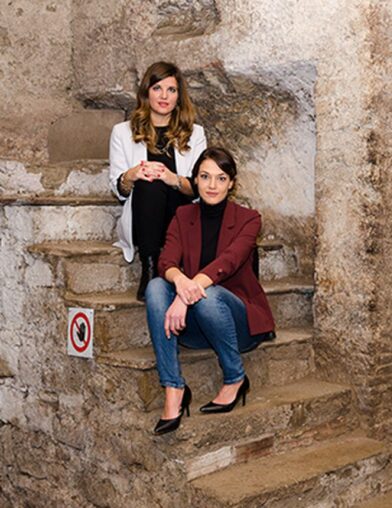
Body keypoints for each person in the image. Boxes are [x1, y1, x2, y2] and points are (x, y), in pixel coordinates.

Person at [145, 147, 276, 435]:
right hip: (195, 325)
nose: (212, 185)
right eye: (205, 177)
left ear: (231, 183)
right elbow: (167, 260)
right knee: (156, 286)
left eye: (220, 178)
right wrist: (180, 284)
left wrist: (187, 293)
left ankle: (234, 377)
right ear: (195, 180)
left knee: (210, 295)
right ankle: (173, 388)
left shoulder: (249, 218)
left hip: (238, 322)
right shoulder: (183, 214)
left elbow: (228, 263)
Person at [109, 61, 207, 300]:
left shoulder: (196, 133)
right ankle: (150, 267)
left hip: (181, 213)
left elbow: (200, 188)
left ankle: (161, 266)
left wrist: (172, 178)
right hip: (145, 214)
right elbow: (119, 190)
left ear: (178, 96)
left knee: (162, 181)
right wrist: (132, 174)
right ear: (146, 92)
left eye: (171, 90)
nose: (164, 96)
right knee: (149, 183)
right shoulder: (122, 132)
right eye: (157, 88)